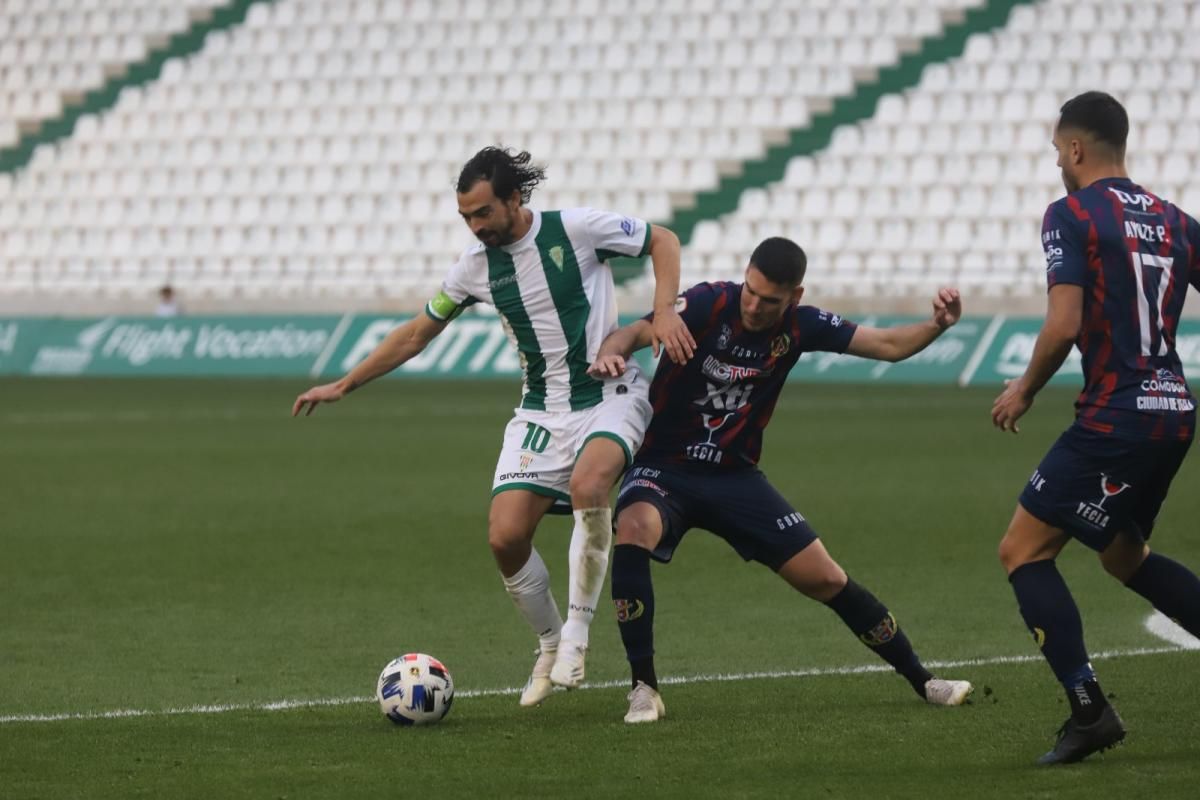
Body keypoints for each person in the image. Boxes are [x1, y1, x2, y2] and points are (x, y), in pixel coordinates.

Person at [292, 147, 695, 705]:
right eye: (466, 217)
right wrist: (344, 384)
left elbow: (663, 239)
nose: (476, 226)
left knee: (590, 484)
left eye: (483, 213)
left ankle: (578, 634)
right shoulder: (472, 269)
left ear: (514, 199)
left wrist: (665, 309)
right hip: (540, 410)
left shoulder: (576, 229)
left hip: (610, 392)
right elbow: (415, 334)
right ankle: (551, 640)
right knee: (505, 537)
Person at [588, 236, 973, 724]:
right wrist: (611, 354)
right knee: (634, 528)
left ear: (795, 296)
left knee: (827, 577)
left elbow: (888, 345)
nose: (753, 305)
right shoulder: (709, 303)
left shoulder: (801, 325)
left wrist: (938, 324)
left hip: (734, 477)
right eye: (750, 290)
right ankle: (644, 688)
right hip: (664, 466)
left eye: (769, 299)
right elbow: (633, 334)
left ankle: (924, 680)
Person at [991, 91, 1200, 764]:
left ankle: (1089, 709)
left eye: (1058, 150)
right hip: (1173, 410)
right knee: (1122, 555)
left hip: (1119, 412)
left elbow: (1064, 323)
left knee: (1022, 550)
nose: (1057, 161)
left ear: (1076, 149)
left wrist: (1023, 390)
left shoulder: (1071, 214)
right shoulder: (1176, 221)